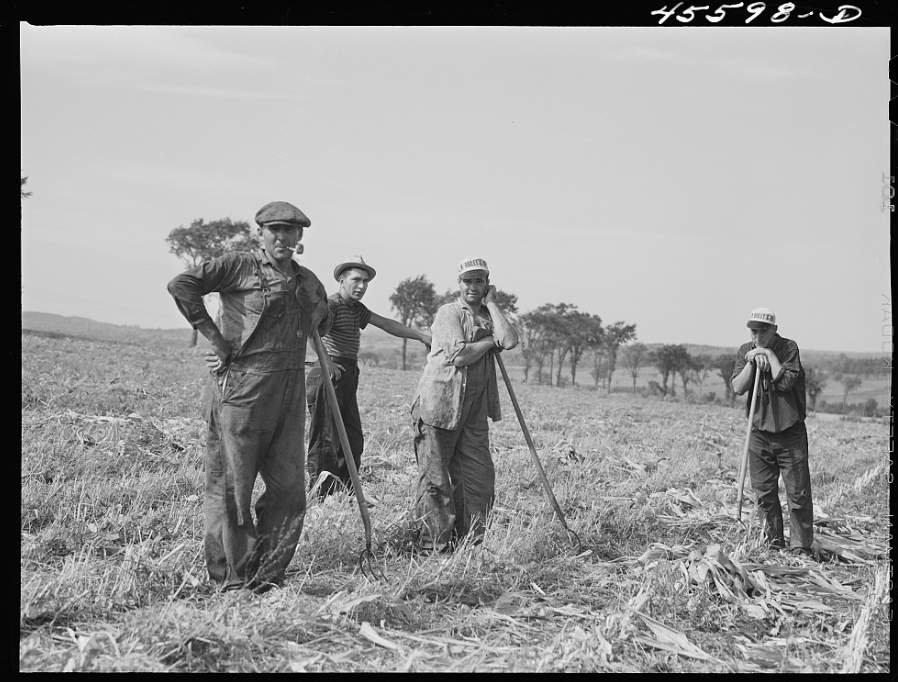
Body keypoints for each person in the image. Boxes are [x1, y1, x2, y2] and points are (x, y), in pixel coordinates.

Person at [167, 201, 331, 593]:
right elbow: (182, 285)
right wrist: (214, 337)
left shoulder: (308, 281)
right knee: (232, 491)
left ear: (300, 237)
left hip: (289, 396)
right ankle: (233, 579)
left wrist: (320, 313)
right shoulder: (239, 265)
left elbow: (322, 315)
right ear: (260, 232)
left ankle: (268, 573)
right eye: (274, 229)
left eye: (290, 231)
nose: (282, 237)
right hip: (242, 391)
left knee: (290, 490)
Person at [411, 257, 519, 552]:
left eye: (479, 281)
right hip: (439, 406)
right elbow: (459, 355)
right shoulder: (449, 313)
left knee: (478, 479)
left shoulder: (488, 314)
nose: (473, 286)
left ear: (487, 284)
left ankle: (469, 544)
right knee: (436, 481)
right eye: (467, 281)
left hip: (473, 411)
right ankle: (434, 547)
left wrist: (494, 305)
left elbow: (509, 340)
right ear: (459, 284)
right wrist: (488, 342)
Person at [306, 255, 432, 498]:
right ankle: (320, 495)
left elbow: (386, 324)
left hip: (347, 373)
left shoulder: (357, 310)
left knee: (351, 438)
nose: (361, 286)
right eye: (356, 280)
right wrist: (328, 362)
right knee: (326, 439)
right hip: (328, 373)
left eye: (365, 281)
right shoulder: (330, 305)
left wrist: (422, 336)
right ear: (341, 280)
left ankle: (344, 494)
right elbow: (312, 332)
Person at [731, 307, 813, 555]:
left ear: (774, 330)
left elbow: (786, 381)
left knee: (797, 494)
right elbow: (737, 387)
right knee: (764, 494)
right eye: (754, 331)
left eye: (763, 331)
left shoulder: (789, 348)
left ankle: (801, 547)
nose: (757, 335)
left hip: (790, 432)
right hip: (759, 433)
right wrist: (753, 360)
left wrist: (768, 354)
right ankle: (773, 543)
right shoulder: (746, 350)